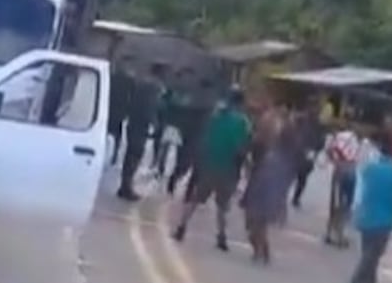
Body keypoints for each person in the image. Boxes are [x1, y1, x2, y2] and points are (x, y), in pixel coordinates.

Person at [338, 130, 392, 283]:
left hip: (366, 217)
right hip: (384, 222)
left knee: (370, 258)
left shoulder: (371, 169)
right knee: (368, 259)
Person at [172, 88, 252, 251]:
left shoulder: (216, 117)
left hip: (210, 164)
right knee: (222, 206)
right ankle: (221, 237)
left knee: (195, 199)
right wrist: (246, 166)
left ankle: (181, 228)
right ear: (241, 103)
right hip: (228, 169)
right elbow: (241, 148)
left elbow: (205, 139)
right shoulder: (242, 122)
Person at [241, 108, 294, 264]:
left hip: (262, 193)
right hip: (259, 189)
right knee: (255, 225)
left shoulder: (276, 157)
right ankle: (263, 251)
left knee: (256, 224)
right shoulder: (262, 146)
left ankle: (261, 252)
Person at [117, 74, 159, 202]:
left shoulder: (139, 90)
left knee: (130, 156)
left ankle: (125, 186)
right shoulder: (150, 91)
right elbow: (149, 112)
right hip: (140, 129)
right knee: (134, 156)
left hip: (134, 126)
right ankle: (126, 187)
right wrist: (155, 124)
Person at [324, 120, 361, 248]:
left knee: (336, 202)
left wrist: (335, 160)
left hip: (340, 169)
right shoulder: (355, 139)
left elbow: (329, 150)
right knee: (345, 203)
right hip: (350, 170)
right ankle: (339, 234)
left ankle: (330, 232)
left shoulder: (338, 136)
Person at [290, 104, 325, 209]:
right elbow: (321, 142)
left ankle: (292, 197)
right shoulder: (317, 125)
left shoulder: (300, 120)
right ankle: (295, 198)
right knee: (301, 178)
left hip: (300, 153)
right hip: (305, 154)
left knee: (294, 176)